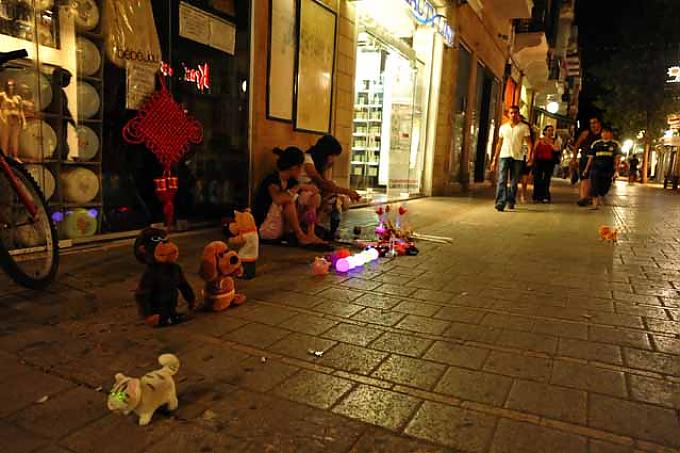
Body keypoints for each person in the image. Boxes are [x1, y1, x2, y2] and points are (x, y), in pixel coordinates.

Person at [252, 147, 326, 246]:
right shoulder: (272, 180)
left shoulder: (291, 181)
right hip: (266, 226)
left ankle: (310, 234)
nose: (301, 171)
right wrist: (298, 187)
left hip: (284, 225)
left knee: (313, 197)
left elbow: (312, 193)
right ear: (294, 167)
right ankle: (300, 236)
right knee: (288, 201)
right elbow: (278, 199)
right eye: (301, 167)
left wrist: (308, 190)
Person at [300, 135, 361, 239]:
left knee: (337, 199)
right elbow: (322, 183)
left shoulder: (319, 163)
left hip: (314, 191)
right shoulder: (308, 160)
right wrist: (347, 191)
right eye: (332, 156)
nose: (333, 159)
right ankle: (311, 229)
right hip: (302, 191)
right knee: (324, 196)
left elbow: (327, 184)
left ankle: (320, 225)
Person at [490, 106, 533, 212]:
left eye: (515, 113)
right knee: (502, 179)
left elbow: (529, 143)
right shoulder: (503, 128)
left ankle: (511, 200)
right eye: (511, 113)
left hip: (518, 157)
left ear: (518, 114)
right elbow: (499, 143)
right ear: (508, 114)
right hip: (504, 156)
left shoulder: (524, 127)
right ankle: (500, 202)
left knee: (514, 181)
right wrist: (495, 159)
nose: (513, 115)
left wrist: (529, 156)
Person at [582, 126, 622, 210]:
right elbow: (591, 158)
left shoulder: (615, 145)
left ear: (610, 134)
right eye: (603, 132)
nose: (604, 134)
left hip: (608, 169)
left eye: (606, 132)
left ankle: (601, 195)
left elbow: (617, 159)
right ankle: (595, 205)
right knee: (594, 184)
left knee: (605, 187)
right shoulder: (596, 144)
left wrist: (617, 170)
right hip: (596, 168)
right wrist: (586, 169)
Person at [572, 117, 602, 206]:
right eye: (591, 123)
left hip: (598, 160)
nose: (592, 125)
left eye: (594, 123)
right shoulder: (586, 134)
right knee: (584, 178)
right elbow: (576, 146)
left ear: (599, 123)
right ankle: (583, 198)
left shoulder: (603, 134)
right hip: (585, 158)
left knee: (595, 179)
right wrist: (574, 159)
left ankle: (590, 197)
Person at [532, 125, 559, 203]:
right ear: (544, 131)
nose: (550, 132)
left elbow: (557, 149)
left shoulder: (554, 141)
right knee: (537, 179)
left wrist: (550, 144)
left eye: (552, 130)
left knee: (547, 179)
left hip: (549, 162)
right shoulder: (539, 140)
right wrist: (532, 160)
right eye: (548, 130)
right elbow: (534, 150)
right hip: (539, 161)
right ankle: (536, 196)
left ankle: (545, 196)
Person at [518, 115, 535, 203]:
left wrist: (531, 158)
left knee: (524, 178)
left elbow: (532, 148)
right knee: (516, 177)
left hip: (526, 157)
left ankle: (523, 194)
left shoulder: (531, 138)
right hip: (517, 156)